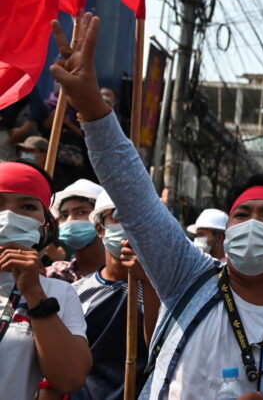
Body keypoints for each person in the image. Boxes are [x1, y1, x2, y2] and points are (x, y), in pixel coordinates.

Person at [49, 13, 263, 399]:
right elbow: (134, 194)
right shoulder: (187, 273)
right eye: (241, 215)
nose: (251, 224)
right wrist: (90, 105)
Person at [0, 161, 92, 397]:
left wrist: (34, 294)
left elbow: (69, 379)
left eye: (27, 206)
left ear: (44, 224)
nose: (10, 216)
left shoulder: (59, 293)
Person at [64, 190, 162, 399]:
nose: (129, 225)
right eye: (119, 217)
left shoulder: (163, 292)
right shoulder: (76, 292)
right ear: (100, 229)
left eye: (136, 217)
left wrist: (145, 281)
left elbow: (158, 350)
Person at [46, 178, 105, 282]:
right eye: (64, 215)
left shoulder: (130, 276)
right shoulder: (52, 276)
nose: (70, 220)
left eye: (81, 212)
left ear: (101, 218)